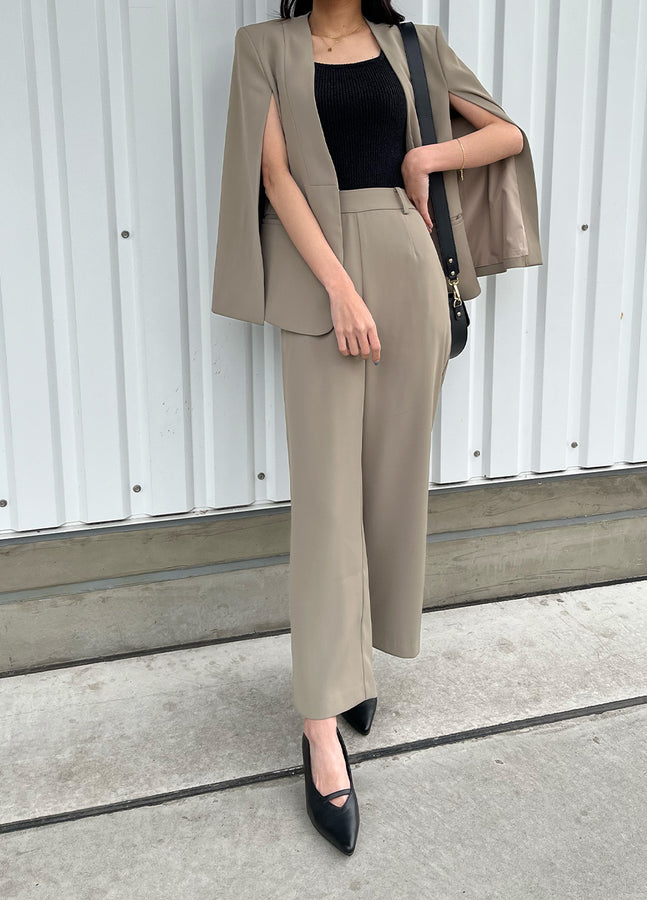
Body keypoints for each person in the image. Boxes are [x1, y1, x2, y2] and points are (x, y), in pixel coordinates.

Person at [216, 0, 531, 855]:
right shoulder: (263, 46)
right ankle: (320, 724)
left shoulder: (415, 44)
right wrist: (340, 290)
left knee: (391, 487)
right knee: (327, 502)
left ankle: (356, 663)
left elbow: (505, 134)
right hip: (321, 279)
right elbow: (275, 178)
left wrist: (426, 157)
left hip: (409, 265)